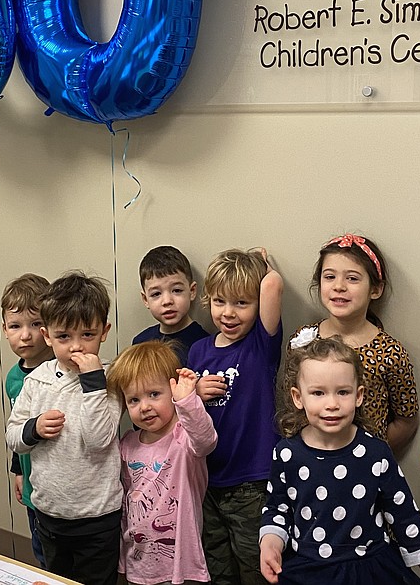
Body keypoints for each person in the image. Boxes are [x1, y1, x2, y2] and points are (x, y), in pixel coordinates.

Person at [260, 334, 420, 585]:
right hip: (307, 570)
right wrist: (270, 545)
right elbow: (277, 509)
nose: (332, 404)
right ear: (299, 398)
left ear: (359, 395)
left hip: (368, 570)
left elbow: (406, 518)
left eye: (342, 392)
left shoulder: (375, 454)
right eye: (318, 393)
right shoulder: (286, 454)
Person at [6, 271, 122, 585]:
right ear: (47, 336)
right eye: (63, 337)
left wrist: (93, 383)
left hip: (98, 518)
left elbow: (98, 440)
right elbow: (13, 436)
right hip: (50, 514)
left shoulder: (110, 380)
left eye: (87, 335)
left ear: (104, 332)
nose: (75, 347)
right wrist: (34, 428)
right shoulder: (37, 380)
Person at [187, 247, 284, 585]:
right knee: (217, 563)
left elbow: (273, 284)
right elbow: (182, 407)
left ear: (257, 306)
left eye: (241, 303)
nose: (228, 313)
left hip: (251, 481)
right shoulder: (199, 350)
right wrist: (194, 392)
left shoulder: (260, 343)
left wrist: (261, 264)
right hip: (208, 479)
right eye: (220, 302)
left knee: (254, 565)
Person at [289, 234, 419, 456]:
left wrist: (371, 456)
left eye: (352, 278)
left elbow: (406, 420)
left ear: (375, 289)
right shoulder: (303, 340)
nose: (339, 286)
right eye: (329, 277)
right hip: (310, 463)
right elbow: (293, 405)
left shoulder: (391, 352)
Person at [107, 340, 217, 585]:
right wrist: (123, 561)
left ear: (172, 390)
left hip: (181, 566)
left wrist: (187, 401)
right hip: (139, 563)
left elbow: (206, 439)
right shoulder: (127, 444)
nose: (144, 407)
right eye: (133, 400)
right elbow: (127, 505)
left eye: (154, 394)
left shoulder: (184, 438)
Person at [1, 272, 54, 567]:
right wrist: (17, 471)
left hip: (57, 483)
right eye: (15, 326)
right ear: (4, 329)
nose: (26, 335)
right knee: (41, 552)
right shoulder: (13, 377)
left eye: (36, 325)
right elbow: (15, 428)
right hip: (32, 483)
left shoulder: (59, 372)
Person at [133, 246, 209, 366]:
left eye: (177, 290)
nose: (167, 301)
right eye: (156, 294)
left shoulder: (204, 345)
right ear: (145, 299)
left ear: (192, 291)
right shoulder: (140, 343)